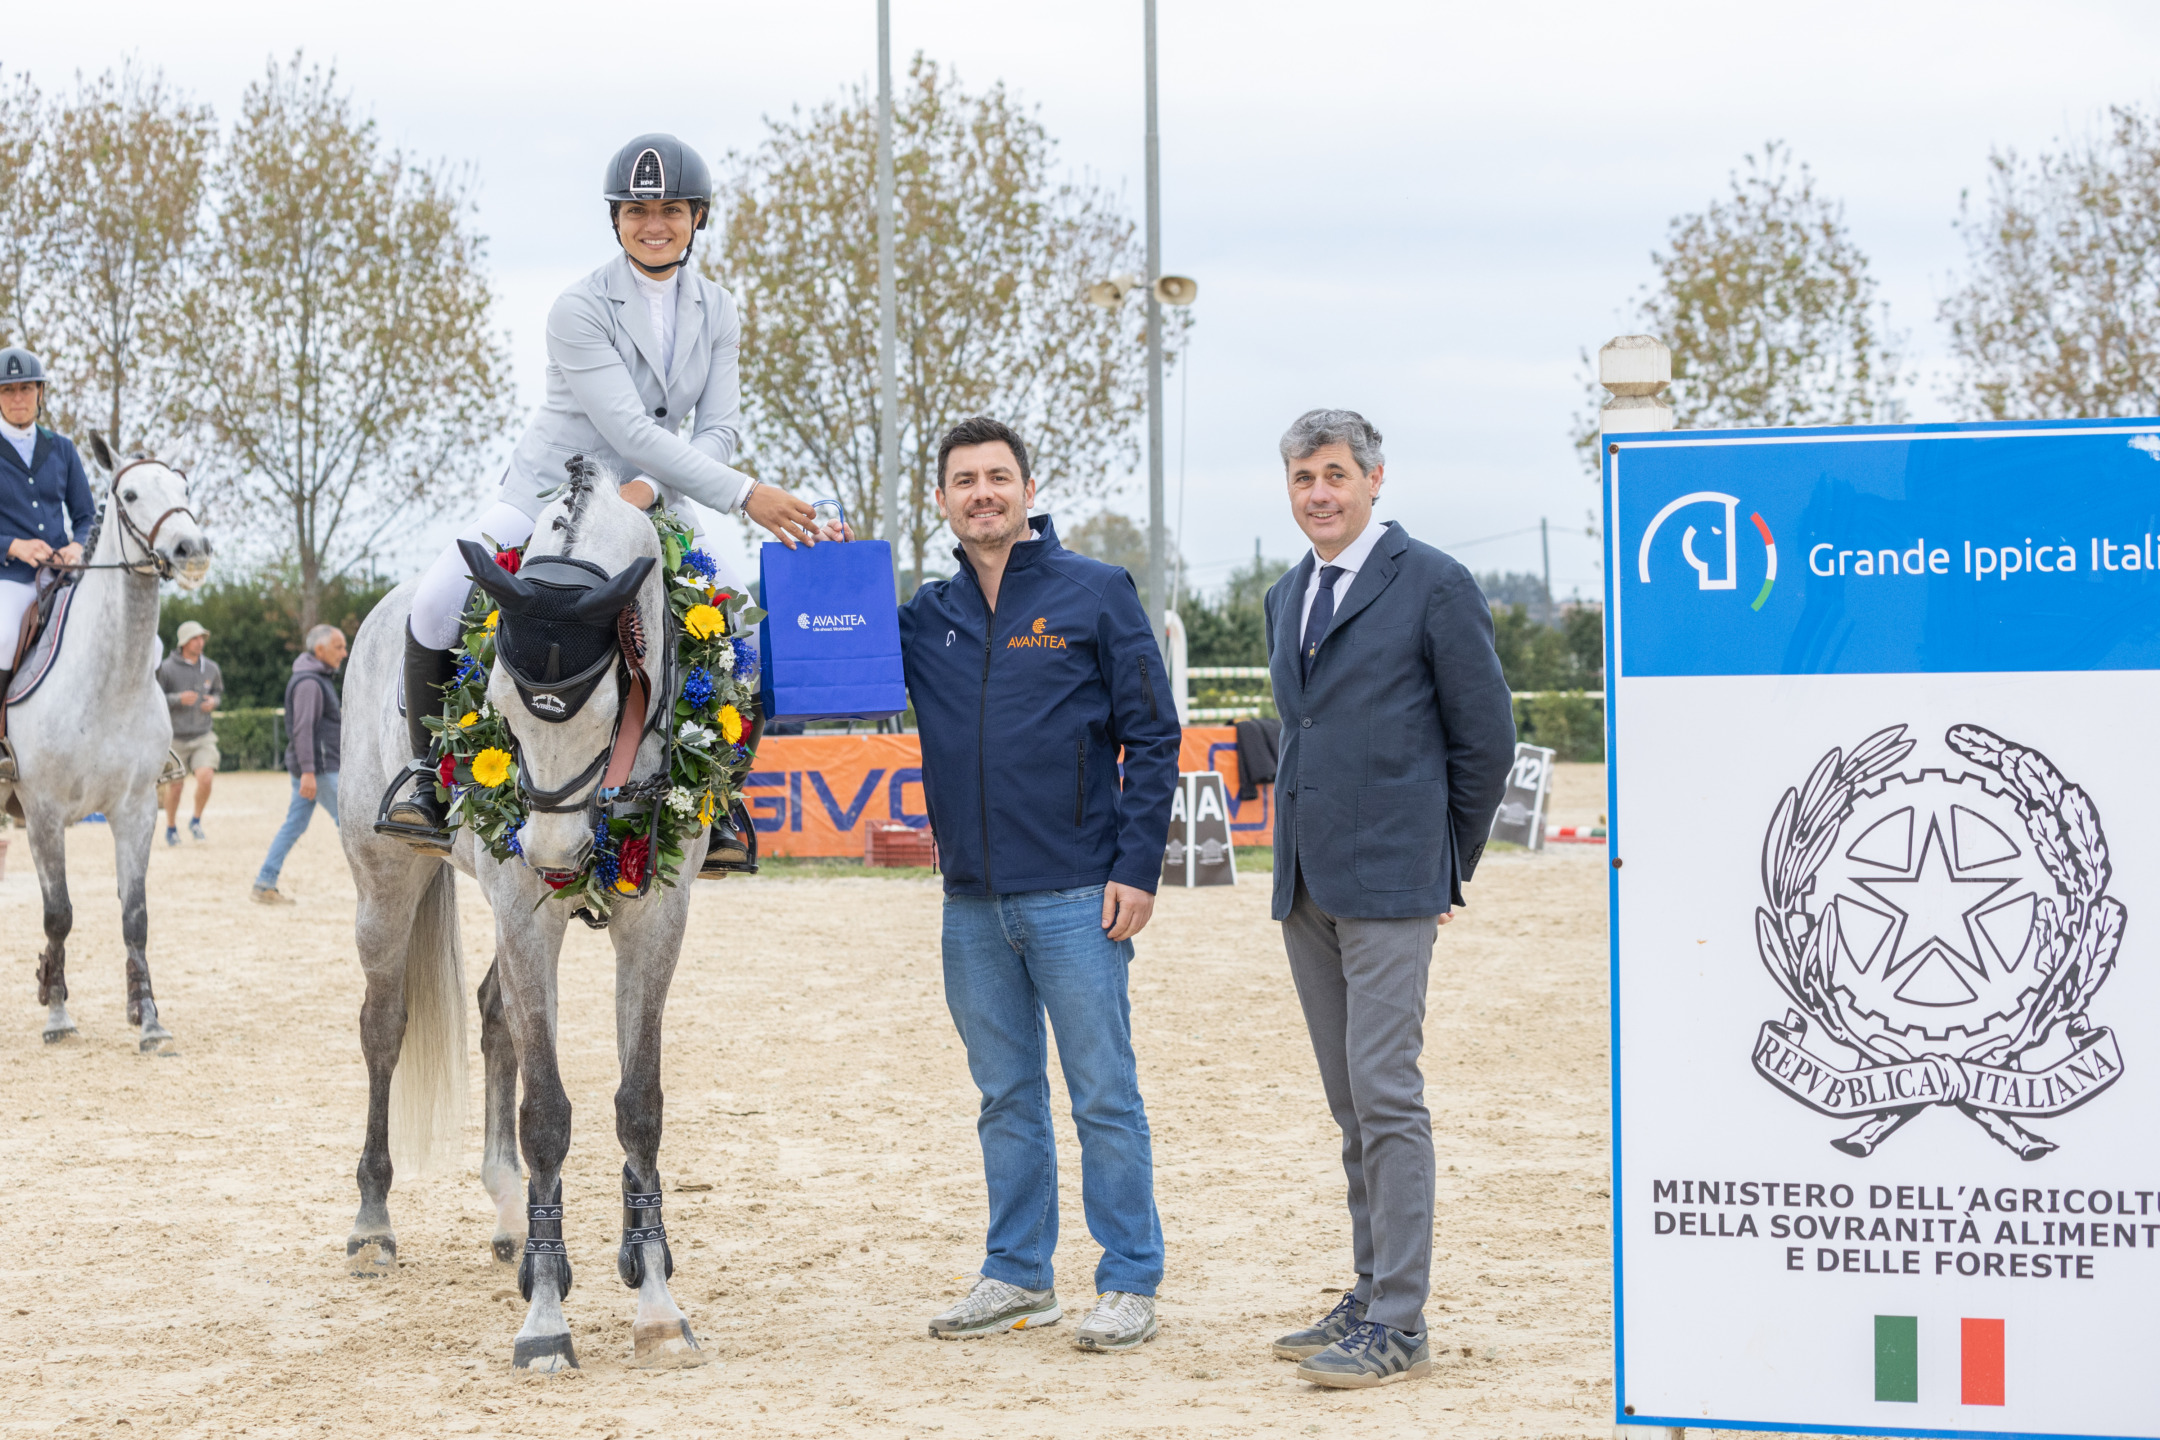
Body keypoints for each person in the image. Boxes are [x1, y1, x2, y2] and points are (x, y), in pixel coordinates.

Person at [376, 133, 833, 864]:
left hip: (650, 499)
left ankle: (716, 805)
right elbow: (623, 425)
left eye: (672, 209)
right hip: (550, 492)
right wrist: (746, 495)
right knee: (433, 603)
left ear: (698, 217)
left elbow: (719, 427)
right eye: (637, 210)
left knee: (741, 624)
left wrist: (651, 491)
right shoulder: (577, 307)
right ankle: (427, 782)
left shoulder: (719, 310)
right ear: (615, 220)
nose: (654, 223)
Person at [899, 416, 1181, 1353]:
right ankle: (1018, 1275)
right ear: (939, 501)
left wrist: (1136, 867)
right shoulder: (924, 618)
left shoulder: (1095, 592)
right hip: (970, 902)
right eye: (965, 480)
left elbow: (1153, 735)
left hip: (1075, 896)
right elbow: (821, 661)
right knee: (1005, 1096)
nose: (983, 492)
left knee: (1104, 1093)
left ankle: (1130, 1279)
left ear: (1026, 489)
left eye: (998, 477)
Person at [1262, 409, 1514, 1389]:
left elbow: (1484, 741)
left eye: (1333, 474)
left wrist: (1444, 864)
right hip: (1307, 884)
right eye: (1301, 479)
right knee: (1350, 1101)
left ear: (1374, 480)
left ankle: (1400, 1320)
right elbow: (1307, 727)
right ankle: (1369, 1294)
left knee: (1388, 1094)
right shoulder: (1289, 592)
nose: (1317, 492)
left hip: (1392, 881)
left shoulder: (1435, 583)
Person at [0, 346, 93, 783]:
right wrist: (13, 545)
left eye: (26, 388)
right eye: (8, 390)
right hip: (13, 577)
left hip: (63, 575)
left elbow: (88, 516)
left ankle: (147, 747)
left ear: (40, 393)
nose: (18, 398)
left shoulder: (63, 449)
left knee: (138, 637)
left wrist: (78, 547)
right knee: (2, 638)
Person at [254, 624, 348, 905]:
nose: (344, 653)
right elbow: (303, 729)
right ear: (320, 650)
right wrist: (308, 771)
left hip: (313, 769)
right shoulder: (310, 682)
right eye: (339, 647)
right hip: (319, 770)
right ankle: (377, 887)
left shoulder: (317, 678)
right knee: (350, 824)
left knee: (293, 825)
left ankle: (264, 882)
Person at [156, 619, 223, 843]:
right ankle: (171, 828)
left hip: (203, 734)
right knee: (175, 787)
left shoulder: (212, 668)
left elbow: (218, 693)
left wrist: (214, 701)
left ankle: (195, 821)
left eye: (202, 637)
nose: (200, 641)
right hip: (174, 738)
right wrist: (177, 699)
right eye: (195, 638)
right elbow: (154, 699)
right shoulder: (165, 668)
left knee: (206, 777)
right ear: (184, 641)